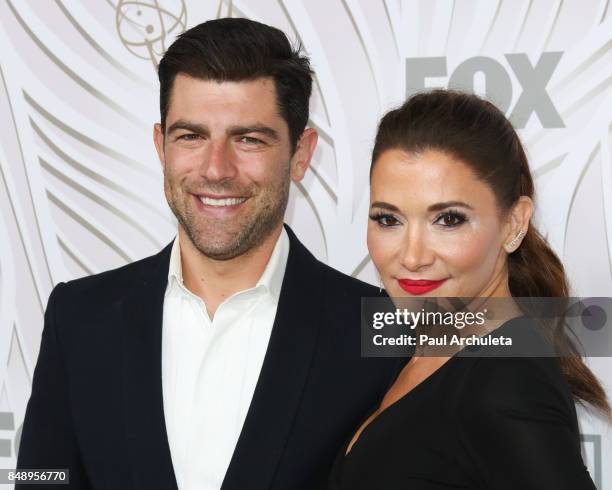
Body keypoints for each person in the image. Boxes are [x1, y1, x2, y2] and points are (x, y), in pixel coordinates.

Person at [16, 18, 399, 490]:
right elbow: (41, 476)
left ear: (301, 154)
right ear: (161, 146)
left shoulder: (381, 324)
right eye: (191, 136)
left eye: (249, 139)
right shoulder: (79, 317)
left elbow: (512, 334)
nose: (216, 169)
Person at [328, 90, 610, 489]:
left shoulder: (510, 383)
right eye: (388, 220)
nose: (412, 256)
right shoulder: (420, 351)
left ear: (514, 223)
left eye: (448, 219)